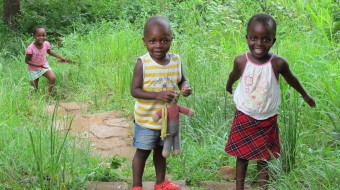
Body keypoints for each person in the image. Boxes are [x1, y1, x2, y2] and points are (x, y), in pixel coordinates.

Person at [225, 14, 316, 190]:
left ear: (273, 41)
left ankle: (262, 188)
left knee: (263, 158)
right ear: (247, 38)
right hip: (244, 115)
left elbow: (292, 79)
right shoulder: (241, 60)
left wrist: (305, 95)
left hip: (267, 119)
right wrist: (229, 85)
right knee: (241, 156)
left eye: (266, 39)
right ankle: (239, 188)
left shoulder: (278, 63)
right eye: (254, 38)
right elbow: (233, 75)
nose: (259, 43)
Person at [131, 16, 192, 190]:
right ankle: (136, 185)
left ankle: (160, 183)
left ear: (171, 40)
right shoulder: (143, 63)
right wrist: (158, 94)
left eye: (164, 40)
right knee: (142, 152)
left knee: (161, 152)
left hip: (167, 121)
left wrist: (186, 87)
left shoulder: (176, 60)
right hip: (146, 119)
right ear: (144, 42)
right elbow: (134, 91)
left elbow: (183, 80)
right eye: (153, 41)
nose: (158, 45)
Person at [25, 26, 68, 99]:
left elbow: (49, 51)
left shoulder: (46, 44)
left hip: (44, 66)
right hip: (33, 69)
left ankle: (48, 98)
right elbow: (27, 61)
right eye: (38, 36)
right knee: (34, 89)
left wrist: (60, 57)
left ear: (46, 35)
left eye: (43, 35)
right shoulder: (30, 48)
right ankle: (32, 102)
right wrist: (38, 65)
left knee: (52, 78)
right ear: (34, 36)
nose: (41, 37)